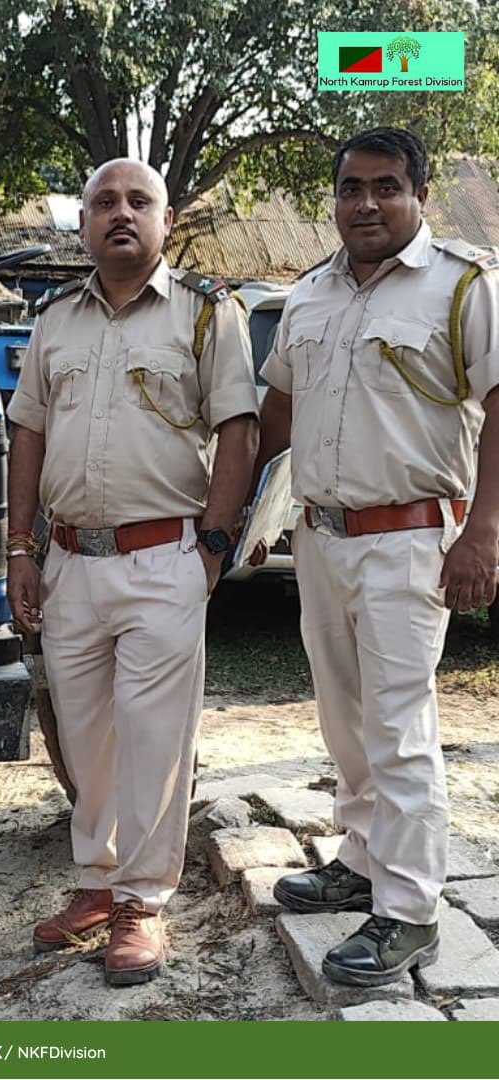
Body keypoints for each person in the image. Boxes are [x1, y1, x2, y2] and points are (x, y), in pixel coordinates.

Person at [252, 128, 499, 986]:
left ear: (419, 198)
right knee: (343, 717)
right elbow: (278, 408)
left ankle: (410, 912)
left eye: (386, 187)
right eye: (351, 188)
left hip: (411, 539)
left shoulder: (463, 285)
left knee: (399, 729)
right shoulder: (310, 294)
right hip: (322, 538)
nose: (366, 203)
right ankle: (359, 858)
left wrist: (485, 532)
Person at [6, 159, 259, 985]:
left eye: (137, 202)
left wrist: (212, 551)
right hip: (71, 560)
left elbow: (239, 431)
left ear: (165, 217)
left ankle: (143, 904)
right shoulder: (55, 320)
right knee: (86, 736)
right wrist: (20, 548)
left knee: (155, 739)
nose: (121, 214)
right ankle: (96, 881)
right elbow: (28, 436)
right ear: (82, 222)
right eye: (104, 202)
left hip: (166, 558)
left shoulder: (204, 313)